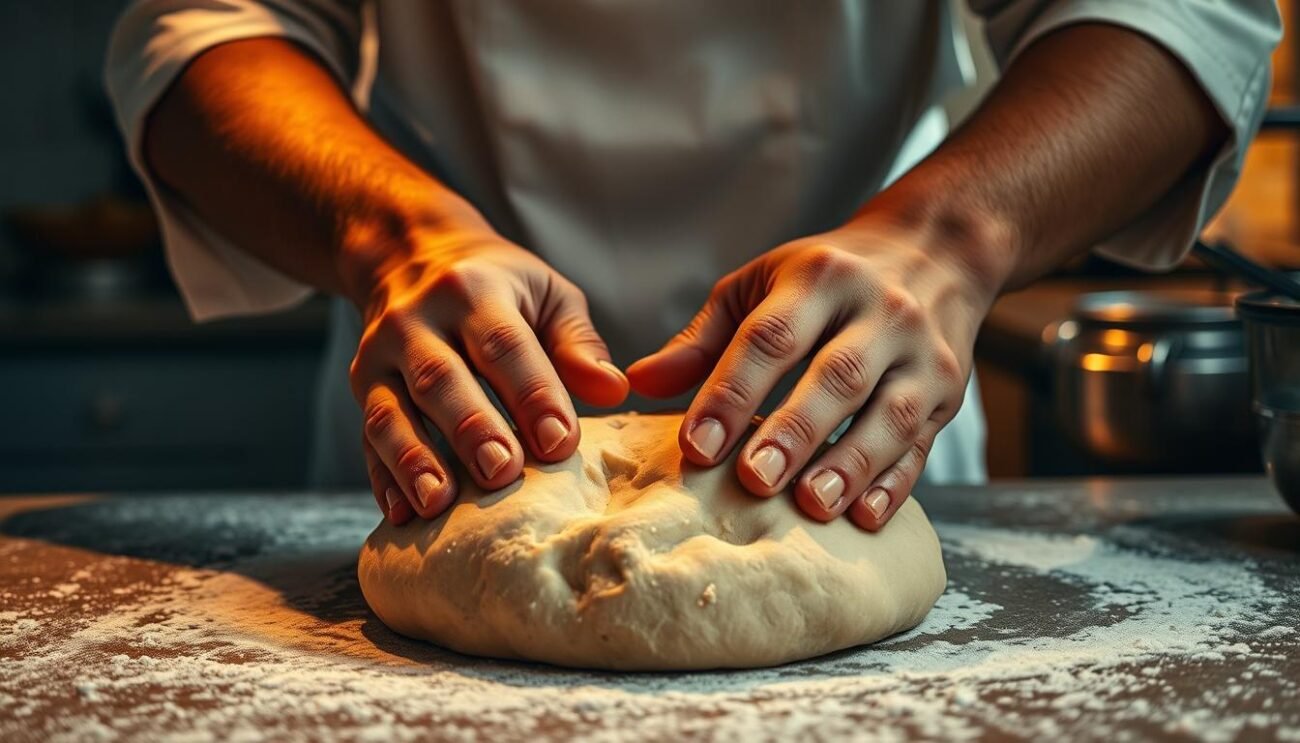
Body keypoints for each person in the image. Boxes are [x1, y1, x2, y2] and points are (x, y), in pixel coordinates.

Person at [107, 1, 1279, 531]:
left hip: (853, 415)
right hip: (447, 407)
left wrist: (949, 238)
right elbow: (196, 29)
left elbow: (1183, 12)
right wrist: (392, 236)